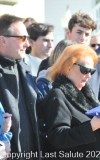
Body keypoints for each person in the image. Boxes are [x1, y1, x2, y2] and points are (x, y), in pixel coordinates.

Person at [41, 44, 100, 159]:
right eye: (85, 70)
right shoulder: (58, 95)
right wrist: (91, 126)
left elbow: (96, 133)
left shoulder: (87, 94)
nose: (89, 76)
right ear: (67, 66)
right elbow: (58, 138)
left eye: (92, 71)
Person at [0, 14, 41, 159]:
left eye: (27, 38)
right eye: (22, 38)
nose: (27, 44)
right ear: (2, 39)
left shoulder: (25, 68)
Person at [66, 11, 100, 104]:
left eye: (87, 34)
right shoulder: (56, 60)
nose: (83, 38)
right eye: (79, 32)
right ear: (68, 33)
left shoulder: (98, 64)